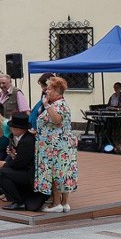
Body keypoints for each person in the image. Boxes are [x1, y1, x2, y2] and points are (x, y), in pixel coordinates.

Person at [35, 76, 77, 213]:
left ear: (57, 90)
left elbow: (57, 120)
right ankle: (64, 203)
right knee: (63, 173)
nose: (46, 91)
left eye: (49, 89)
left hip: (55, 146)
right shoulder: (60, 104)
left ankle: (56, 203)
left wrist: (46, 105)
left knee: (55, 174)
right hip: (59, 145)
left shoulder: (58, 105)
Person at [0, 113, 47, 211]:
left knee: (1, 172)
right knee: (4, 171)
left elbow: (20, 164)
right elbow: (21, 160)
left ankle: (18, 201)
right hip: (27, 171)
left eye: (12, 128)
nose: (10, 129)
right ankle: (18, 199)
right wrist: (13, 155)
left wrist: (5, 164)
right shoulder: (25, 138)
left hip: (30, 175)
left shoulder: (26, 141)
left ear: (18, 129)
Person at [105, 82, 121, 151]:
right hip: (113, 116)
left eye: (117, 87)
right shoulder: (112, 96)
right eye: (115, 87)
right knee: (112, 130)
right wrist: (110, 108)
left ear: (120, 88)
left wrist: (117, 109)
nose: (115, 89)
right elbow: (108, 105)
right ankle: (115, 145)